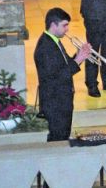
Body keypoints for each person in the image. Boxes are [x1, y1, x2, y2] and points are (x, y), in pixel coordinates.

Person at [34, 8, 91, 141]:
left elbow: (63, 66)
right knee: (58, 139)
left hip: (61, 101)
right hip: (55, 104)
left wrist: (78, 55)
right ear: (53, 25)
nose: (67, 29)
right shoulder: (45, 47)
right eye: (64, 25)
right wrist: (79, 59)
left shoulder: (53, 40)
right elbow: (57, 77)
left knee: (63, 136)